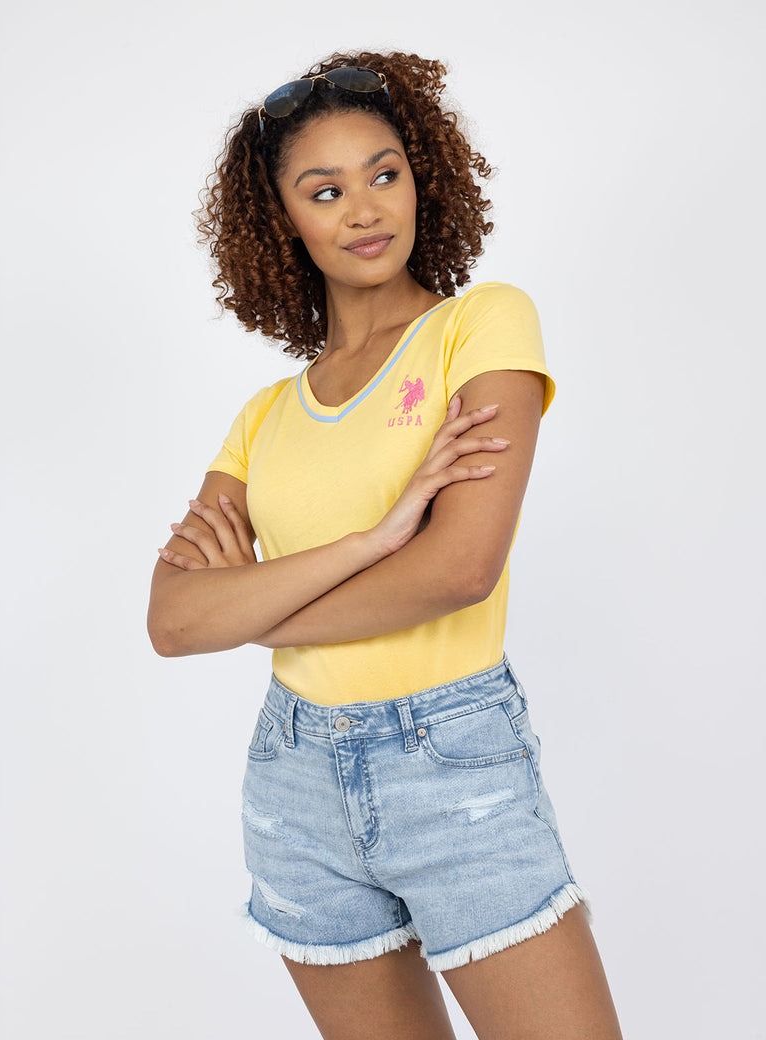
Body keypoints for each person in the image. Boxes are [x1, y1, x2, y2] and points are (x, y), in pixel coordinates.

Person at [147, 50, 623, 1040]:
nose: (363, 209)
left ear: (421, 178)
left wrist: (259, 607)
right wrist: (373, 538)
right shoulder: (265, 415)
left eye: (384, 174)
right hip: (293, 781)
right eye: (324, 190)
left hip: (453, 762)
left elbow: (458, 569)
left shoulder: (477, 327)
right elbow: (174, 622)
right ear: (282, 219)